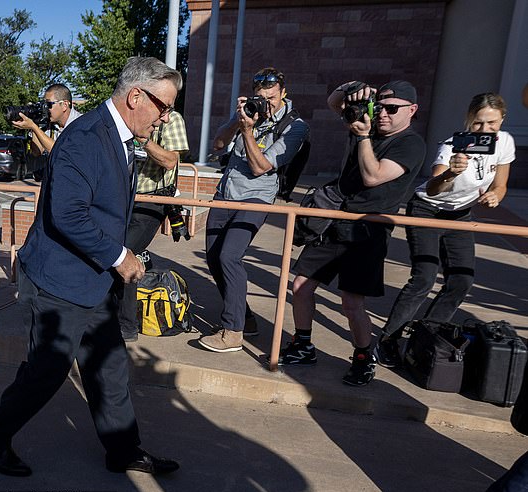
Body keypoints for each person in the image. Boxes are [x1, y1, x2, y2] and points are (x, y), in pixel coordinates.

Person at [0, 57, 182, 477]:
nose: (165, 117)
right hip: (61, 281)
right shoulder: (86, 137)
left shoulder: (121, 138)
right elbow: (68, 215)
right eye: (164, 106)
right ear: (136, 96)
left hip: (93, 280)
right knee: (46, 374)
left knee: (109, 368)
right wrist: (120, 257)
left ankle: (124, 450)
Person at [282, 80, 426, 387]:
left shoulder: (411, 144)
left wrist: (362, 136)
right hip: (334, 220)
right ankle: (303, 345)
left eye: (392, 109)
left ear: (411, 110)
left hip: (367, 229)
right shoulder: (368, 123)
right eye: (379, 107)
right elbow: (335, 103)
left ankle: (363, 357)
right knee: (301, 286)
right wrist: (352, 88)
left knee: (351, 302)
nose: (383, 115)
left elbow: (373, 176)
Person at [374, 93, 515, 368]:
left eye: (492, 124)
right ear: (468, 120)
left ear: (502, 121)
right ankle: (387, 341)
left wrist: (496, 196)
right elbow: (433, 188)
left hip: (460, 214)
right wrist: (451, 172)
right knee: (424, 278)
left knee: (461, 280)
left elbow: (501, 183)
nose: (485, 130)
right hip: (427, 209)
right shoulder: (452, 146)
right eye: (478, 124)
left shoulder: (506, 142)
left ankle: (427, 336)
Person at [198, 67, 309, 353]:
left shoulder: (295, 126)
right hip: (225, 194)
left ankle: (232, 332)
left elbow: (261, 167)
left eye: (270, 98)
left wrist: (248, 132)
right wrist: (238, 122)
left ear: (284, 93)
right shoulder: (247, 114)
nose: (264, 103)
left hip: (256, 198)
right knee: (214, 259)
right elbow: (218, 145)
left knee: (229, 256)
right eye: (260, 97)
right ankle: (245, 319)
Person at [118, 110, 189, 342]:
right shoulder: (130, 115)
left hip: (152, 200)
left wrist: (143, 139)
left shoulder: (172, 119)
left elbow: (170, 161)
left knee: (123, 254)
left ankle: (126, 326)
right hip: (124, 198)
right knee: (114, 252)